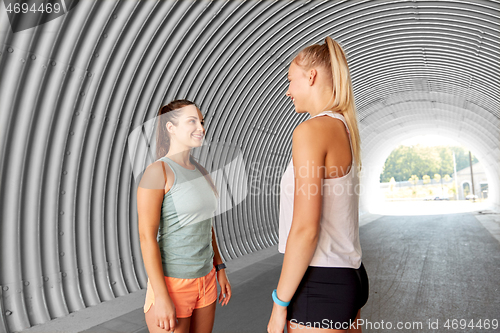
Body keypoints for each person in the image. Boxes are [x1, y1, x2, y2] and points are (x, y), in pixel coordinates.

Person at [267, 37, 369, 333]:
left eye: (290, 80)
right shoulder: (344, 128)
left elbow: (305, 229)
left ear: (311, 76)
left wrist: (278, 305)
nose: (288, 92)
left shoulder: (311, 131)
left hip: (319, 282)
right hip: (349, 276)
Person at [137, 99, 232, 333]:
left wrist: (219, 267)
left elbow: (206, 224)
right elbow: (146, 237)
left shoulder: (201, 171)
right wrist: (161, 296)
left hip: (206, 280)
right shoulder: (157, 172)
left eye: (201, 122)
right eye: (192, 121)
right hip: (173, 284)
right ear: (170, 128)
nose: (201, 128)